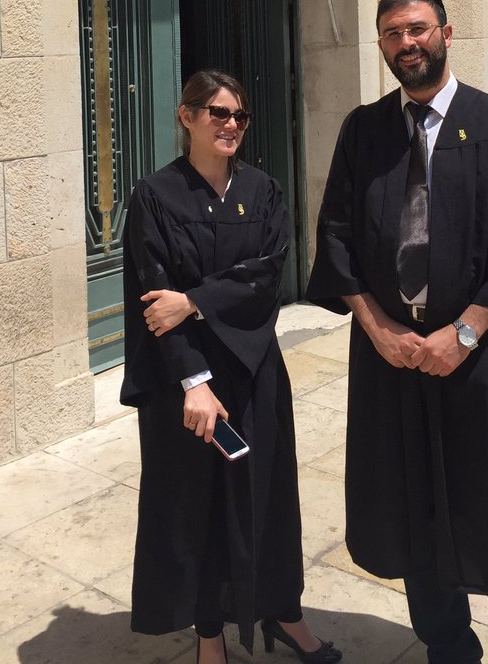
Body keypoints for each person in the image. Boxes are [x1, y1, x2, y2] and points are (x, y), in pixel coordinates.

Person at [307, 0, 488, 664]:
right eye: (393, 33)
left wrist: (464, 333)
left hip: (477, 357)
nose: (407, 43)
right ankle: (448, 648)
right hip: (393, 358)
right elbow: (336, 237)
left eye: (418, 29)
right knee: (414, 507)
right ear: (381, 44)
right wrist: (378, 330)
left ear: (446, 34)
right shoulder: (364, 130)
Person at [121, 70, 341, 664]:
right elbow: (154, 302)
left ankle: (284, 614)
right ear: (186, 116)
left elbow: (267, 276)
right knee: (197, 508)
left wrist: (194, 300)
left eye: (239, 115)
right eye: (217, 112)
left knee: (268, 497)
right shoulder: (155, 196)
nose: (231, 124)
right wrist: (194, 381)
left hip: (252, 369)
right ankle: (209, 633)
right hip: (186, 381)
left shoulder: (263, 190)